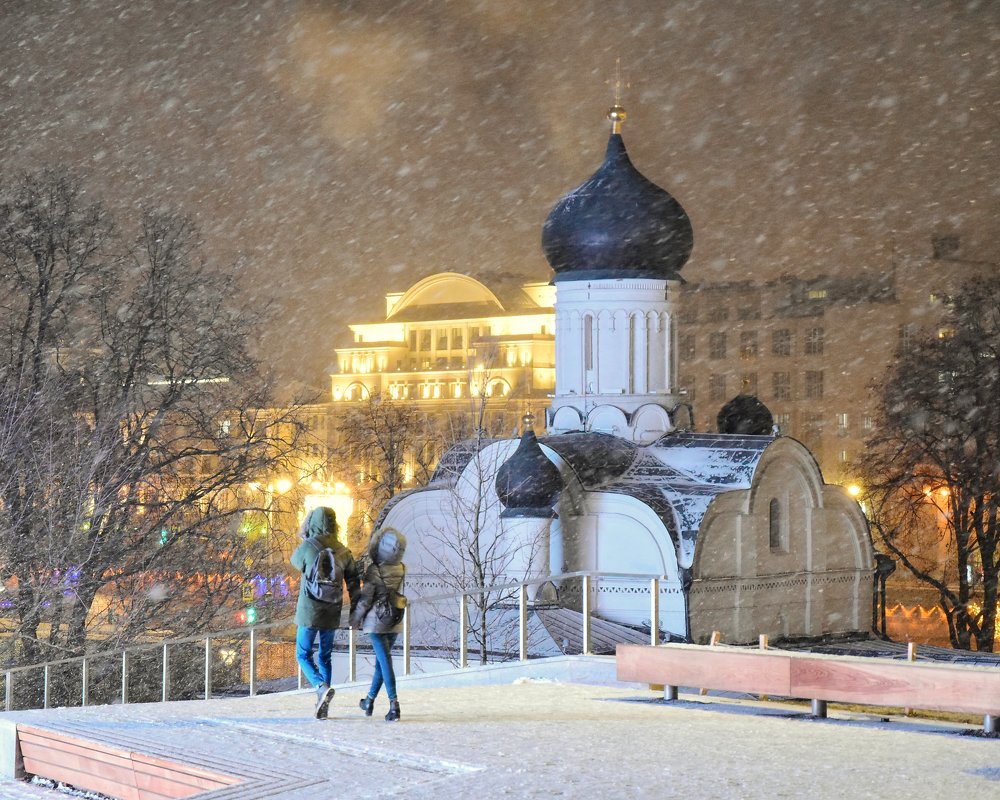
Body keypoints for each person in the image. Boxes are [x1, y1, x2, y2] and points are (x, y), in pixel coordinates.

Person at [290, 506, 360, 719]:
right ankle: (323, 702)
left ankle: (320, 687)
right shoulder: (343, 550)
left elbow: (295, 562)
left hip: (309, 610)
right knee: (325, 656)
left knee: (302, 654)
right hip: (332, 609)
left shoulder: (308, 547)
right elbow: (354, 582)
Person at [350, 526, 407, 722]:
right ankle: (369, 701)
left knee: (385, 663)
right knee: (381, 664)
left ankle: (394, 704)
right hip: (394, 620)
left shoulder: (375, 570)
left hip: (376, 623)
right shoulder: (401, 568)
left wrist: (355, 619)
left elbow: (365, 600)